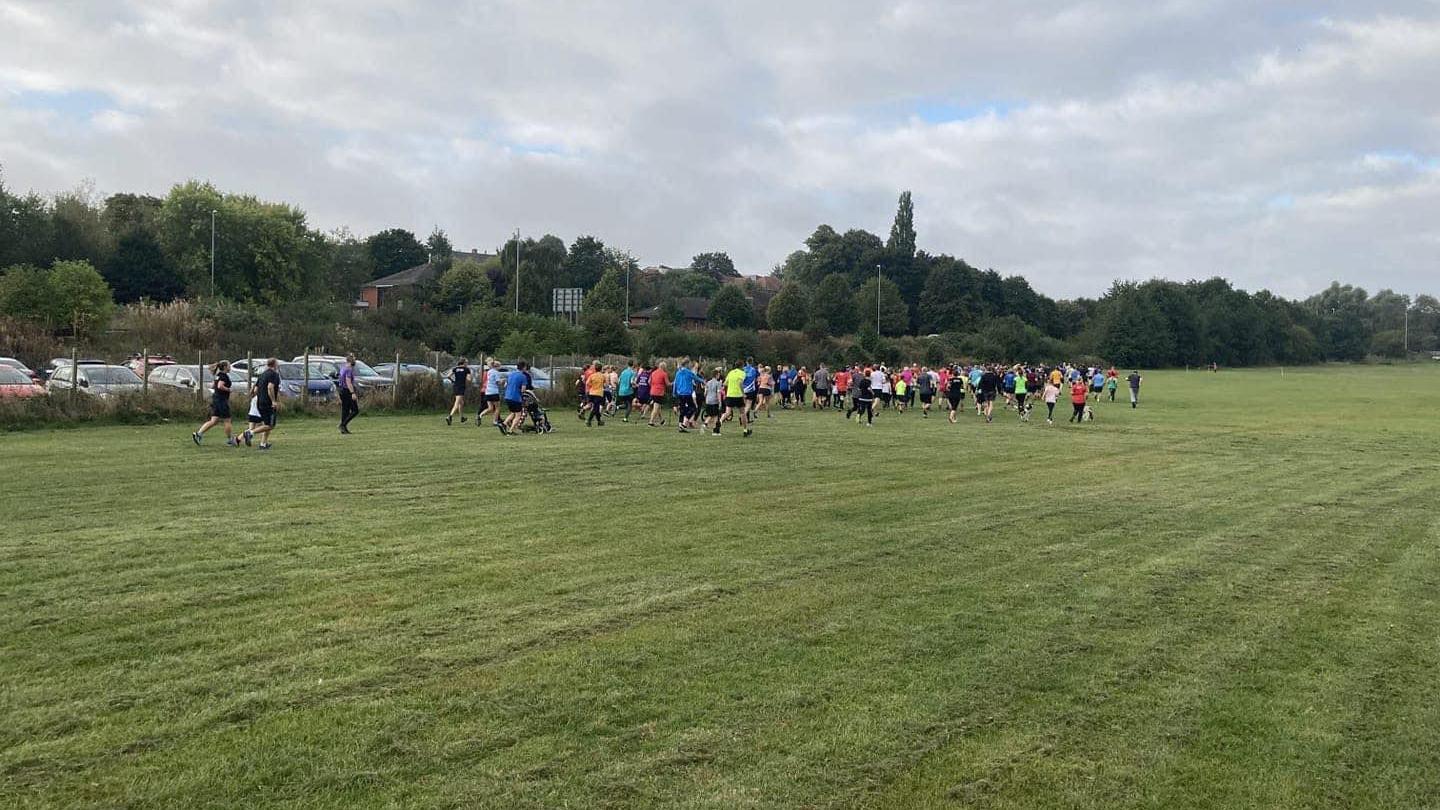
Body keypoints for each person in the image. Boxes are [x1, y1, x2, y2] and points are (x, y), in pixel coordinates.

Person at [193, 360, 236, 446]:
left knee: (214, 420)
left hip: (216, 400)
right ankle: (231, 440)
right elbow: (220, 386)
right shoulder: (223, 376)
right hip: (221, 401)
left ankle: (199, 434)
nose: (230, 367)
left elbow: (214, 385)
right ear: (224, 367)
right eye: (229, 366)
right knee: (227, 420)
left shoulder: (218, 376)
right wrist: (228, 390)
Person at [243, 357, 281, 450]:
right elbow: (270, 387)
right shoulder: (274, 375)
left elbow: (255, 389)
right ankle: (250, 433)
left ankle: (263, 444)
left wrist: (254, 397)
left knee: (266, 424)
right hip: (268, 403)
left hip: (259, 402)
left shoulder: (262, 375)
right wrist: (273, 401)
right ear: (275, 365)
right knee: (270, 425)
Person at [501, 361, 531, 434]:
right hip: (515, 397)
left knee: (513, 412)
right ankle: (511, 430)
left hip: (507, 396)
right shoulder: (523, 376)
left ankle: (504, 424)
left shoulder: (511, 374)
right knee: (518, 415)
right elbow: (523, 389)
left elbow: (505, 385)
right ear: (524, 367)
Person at [724, 362, 752, 437]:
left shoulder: (730, 372)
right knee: (742, 413)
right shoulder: (742, 373)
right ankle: (745, 430)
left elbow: (725, 383)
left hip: (730, 394)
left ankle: (718, 425)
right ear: (741, 366)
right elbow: (740, 383)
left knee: (727, 413)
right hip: (738, 395)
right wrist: (743, 393)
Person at [673, 359, 699, 432]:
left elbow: (675, 383)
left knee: (682, 409)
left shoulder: (678, 372)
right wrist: (704, 381)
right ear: (687, 364)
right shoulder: (688, 372)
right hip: (687, 393)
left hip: (680, 393)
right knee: (693, 408)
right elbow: (696, 377)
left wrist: (674, 392)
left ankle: (680, 425)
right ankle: (684, 424)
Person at [338, 354, 360, 434]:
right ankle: (343, 425)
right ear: (351, 361)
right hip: (347, 391)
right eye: (354, 359)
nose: (355, 361)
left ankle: (343, 429)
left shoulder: (343, 368)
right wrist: (352, 393)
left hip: (341, 390)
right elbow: (348, 382)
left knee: (345, 410)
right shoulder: (349, 370)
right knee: (355, 410)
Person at [446, 358, 470, 425]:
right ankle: (450, 416)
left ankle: (462, 417)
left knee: (461, 403)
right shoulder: (466, 369)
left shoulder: (455, 369)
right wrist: (465, 376)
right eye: (466, 363)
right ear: (464, 363)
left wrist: (452, 381)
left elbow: (448, 376)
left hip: (455, 386)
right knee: (457, 403)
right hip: (461, 387)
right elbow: (469, 379)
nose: (467, 364)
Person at [479, 359, 502, 427]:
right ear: (497, 366)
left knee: (490, 408)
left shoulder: (489, 371)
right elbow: (497, 382)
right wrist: (503, 381)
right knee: (497, 408)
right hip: (494, 392)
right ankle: (495, 421)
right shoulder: (496, 372)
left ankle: (480, 415)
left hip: (488, 392)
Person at [646, 361, 669, 427]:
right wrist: (673, 383)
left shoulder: (653, 373)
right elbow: (667, 384)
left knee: (657, 406)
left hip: (652, 391)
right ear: (664, 367)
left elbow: (649, 382)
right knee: (656, 407)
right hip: (659, 392)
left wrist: (653, 386)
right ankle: (651, 422)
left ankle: (661, 420)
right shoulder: (664, 374)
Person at [583, 361, 606, 426]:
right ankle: (589, 420)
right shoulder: (602, 376)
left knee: (596, 407)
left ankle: (599, 421)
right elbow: (605, 383)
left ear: (595, 369)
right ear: (601, 369)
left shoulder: (592, 376)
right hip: (598, 393)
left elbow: (587, 383)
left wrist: (592, 385)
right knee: (596, 408)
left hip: (591, 392)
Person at [704, 367, 724, 435]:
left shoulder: (708, 383)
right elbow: (718, 393)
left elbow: (705, 393)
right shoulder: (718, 383)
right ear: (716, 375)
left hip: (708, 400)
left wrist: (706, 398)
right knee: (715, 416)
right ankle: (715, 430)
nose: (719, 376)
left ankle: (705, 424)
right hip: (714, 401)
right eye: (718, 374)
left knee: (710, 414)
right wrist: (720, 402)